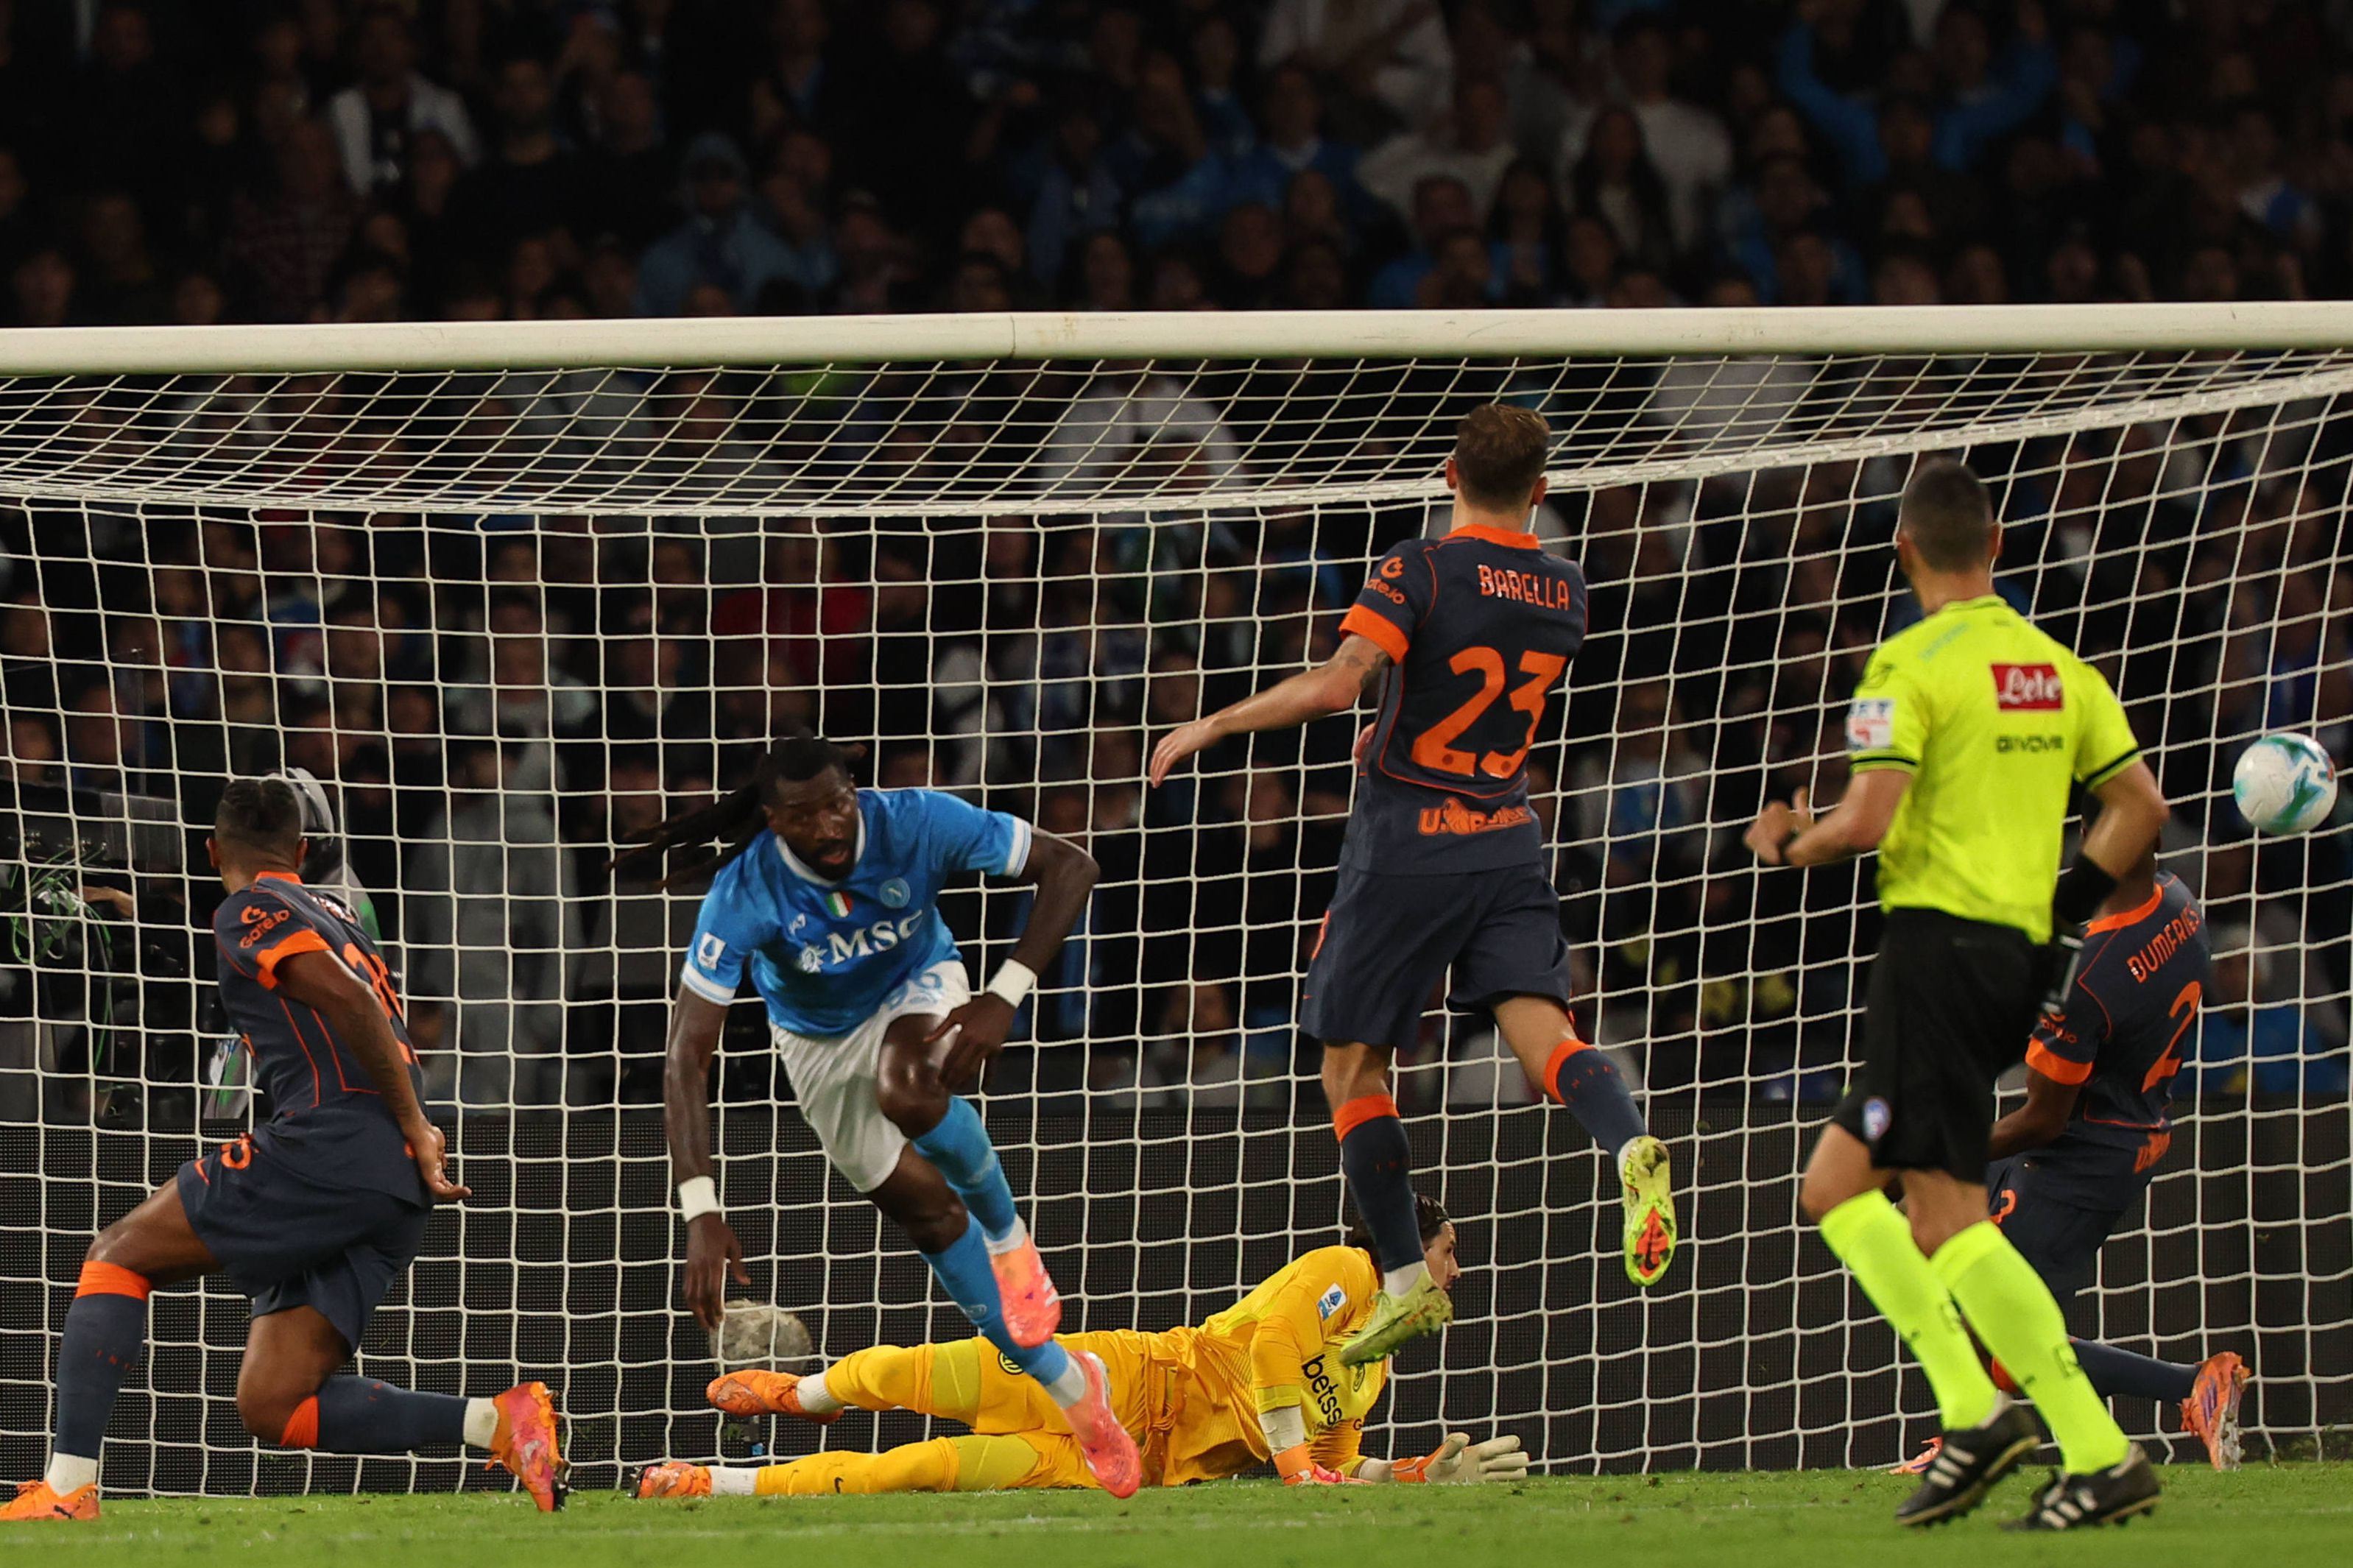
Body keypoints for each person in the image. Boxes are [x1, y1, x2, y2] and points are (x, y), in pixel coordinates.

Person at [1148, 405, 1676, 1381]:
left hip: (1407, 844)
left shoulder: (1418, 566)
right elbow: (1466, 682)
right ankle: (1631, 1139)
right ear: (1543, 491)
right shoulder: (1568, 588)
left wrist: (1215, 723)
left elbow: (1341, 683)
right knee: (1547, 1033)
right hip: (1510, 836)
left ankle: (1401, 1279)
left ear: (1447, 472)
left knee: (1350, 1071)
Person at [1743, 458, 2168, 1531]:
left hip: (1932, 953)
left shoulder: (1907, 658)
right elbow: (2139, 806)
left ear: (1903, 550)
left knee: (1943, 1213)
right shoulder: (2056, 664)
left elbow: (1870, 818)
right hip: (2015, 960)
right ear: (1998, 547)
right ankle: (1983, 1410)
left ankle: (2084, 1441)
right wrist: (2061, 900)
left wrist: (1793, 840)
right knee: (1837, 1182)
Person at [3, 778, 562, 1524]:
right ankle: (500, 1423)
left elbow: (350, 1005)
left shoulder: (251, 909)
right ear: (303, 849)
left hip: (330, 1144)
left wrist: (416, 1124)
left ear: (211, 851)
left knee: (117, 1255)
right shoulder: (336, 916)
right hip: (384, 1174)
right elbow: (279, 986)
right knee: (274, 1404)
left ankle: (68, 1489)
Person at [620, 732, 1141, 1497]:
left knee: (909, 1088)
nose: (829, 827)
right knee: (927, 1216)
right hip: (814, 1043)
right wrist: (700, 1209)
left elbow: (1074, 865)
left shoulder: (918, 821)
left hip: (915, 986)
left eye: (838, 804)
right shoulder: (745, 890)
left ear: (854, 790)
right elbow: (684, 1057)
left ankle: (1010, 1238)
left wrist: (1004, 995)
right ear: (772, 820)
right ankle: (1079, 1399)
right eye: (805, 817)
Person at [629, 1196, 1528, 1497]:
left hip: (1137, 1460)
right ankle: (800, 1395)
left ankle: (717, 1482)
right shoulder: (1347, 1270)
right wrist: (1295, 1465)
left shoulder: (1369, 1371)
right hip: (1128, 1379)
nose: (1452, 1275)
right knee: (914, 1374)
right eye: (1447, 1253)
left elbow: (1337, 1468)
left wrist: (1413, 1474)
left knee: (927, 1469)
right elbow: (1270, 1355)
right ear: (1408, 1250)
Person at [1977, 850, 2247, 1470]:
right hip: (2130, 1123)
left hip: (2079, 1159)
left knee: (2013, 1339)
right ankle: (1970, 1432)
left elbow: (2043, 1118)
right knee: (1951, 1251)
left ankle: (2191, 1386)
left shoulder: (2088, 979)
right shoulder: (2177, 897)